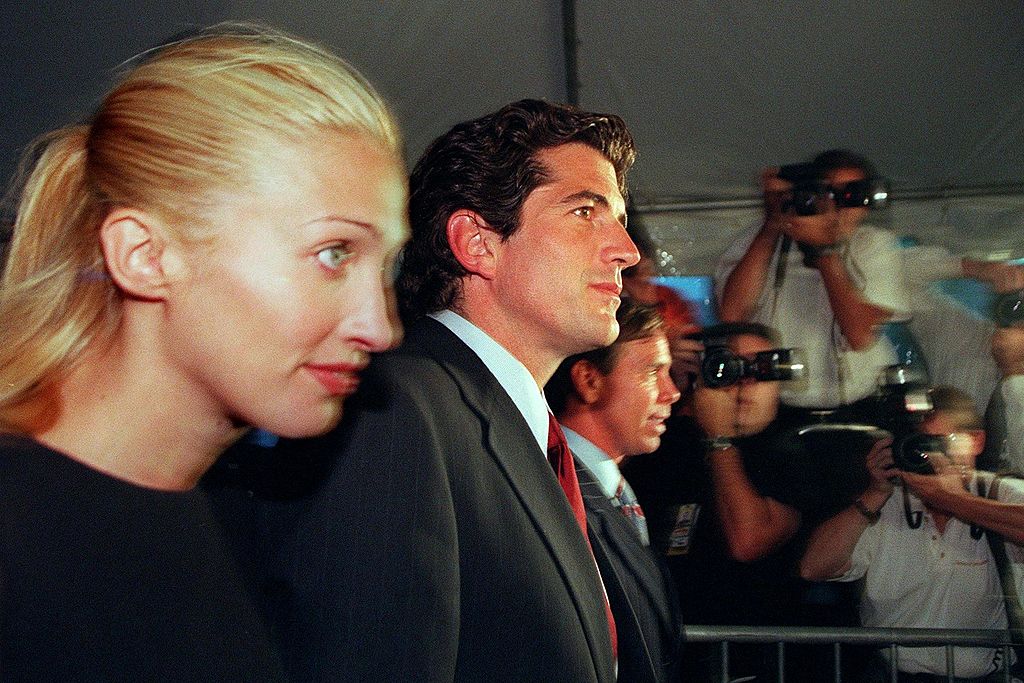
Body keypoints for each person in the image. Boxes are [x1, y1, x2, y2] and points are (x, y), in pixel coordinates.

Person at [0, 24, 407, 680]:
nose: (381, 329)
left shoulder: (234, 520)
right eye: (334, 254)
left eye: (385, 267)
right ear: (145, 256)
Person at [249, 99, 640, 681]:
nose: (627, 250)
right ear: (477, 243)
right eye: (586, 212)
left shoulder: (522, 429)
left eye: (619, 218)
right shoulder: (394, 412)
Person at [624, 322, 832, 680]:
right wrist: (662, 383)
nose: (745, 382)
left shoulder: (793, 452)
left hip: (752, 662)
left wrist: (719, 440)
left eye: (761, 368)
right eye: (729, 367)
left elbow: (748, 542)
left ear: (779, 383)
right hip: (667, 654)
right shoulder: (670, 440)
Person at [800, 385, 1024, 681]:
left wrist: (954, 500)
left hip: (983, 677)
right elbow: (813, 568)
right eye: (921, 442)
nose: (931, 454)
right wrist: (874, 493)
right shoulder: (886, 502)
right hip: (894, 674)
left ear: (976, 440)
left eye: (940, 442)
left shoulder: (998, 493)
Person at [716, 149, 911, 419]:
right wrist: (773, 223)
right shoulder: (760, 240)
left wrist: (824, 251)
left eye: (852, 195)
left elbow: (859, 335)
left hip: (863, 401)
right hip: (780, 405)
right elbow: (732, 316)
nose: (839, 207)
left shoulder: (874, 245)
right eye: (830, 193)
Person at [546, 299, 683, 682]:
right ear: (589, 380)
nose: (672, 392)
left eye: (669, 372)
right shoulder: (556, 488)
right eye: (652, 372)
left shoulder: (622, 489)